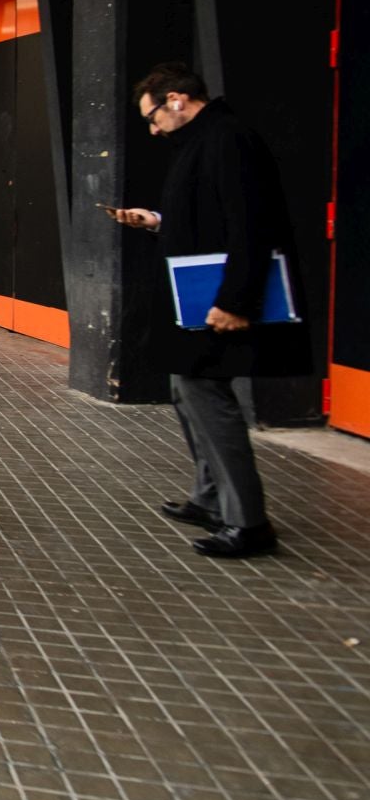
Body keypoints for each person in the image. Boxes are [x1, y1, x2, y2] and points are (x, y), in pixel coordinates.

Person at [110, 63, 304, 558]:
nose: (152, 129)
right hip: (195, 299)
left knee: (210, 401)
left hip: (217, 299)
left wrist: (235, 301)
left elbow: (250, 224)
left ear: (176, 99)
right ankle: (210, 497)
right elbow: (204, 216)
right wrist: (154, 220)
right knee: (187, 392)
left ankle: (248, 522)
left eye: (153, 116)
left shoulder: (227, 139)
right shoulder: (203, 140)